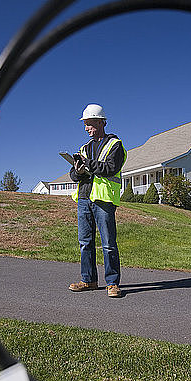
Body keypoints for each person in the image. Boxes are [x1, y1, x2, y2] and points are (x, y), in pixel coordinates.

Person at [68, 104, 127, 298]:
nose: (86, 128)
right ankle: (89, 280)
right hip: (84, 199)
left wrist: (88, 164)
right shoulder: (84, 148)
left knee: (108, 243)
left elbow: (110, 167)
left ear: (101, 122)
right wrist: (77, 170)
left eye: (89, 124)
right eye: (85, 125)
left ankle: (112, 283)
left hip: (104, 200)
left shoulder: (115, 145)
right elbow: (73, 176)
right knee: (85, 242)